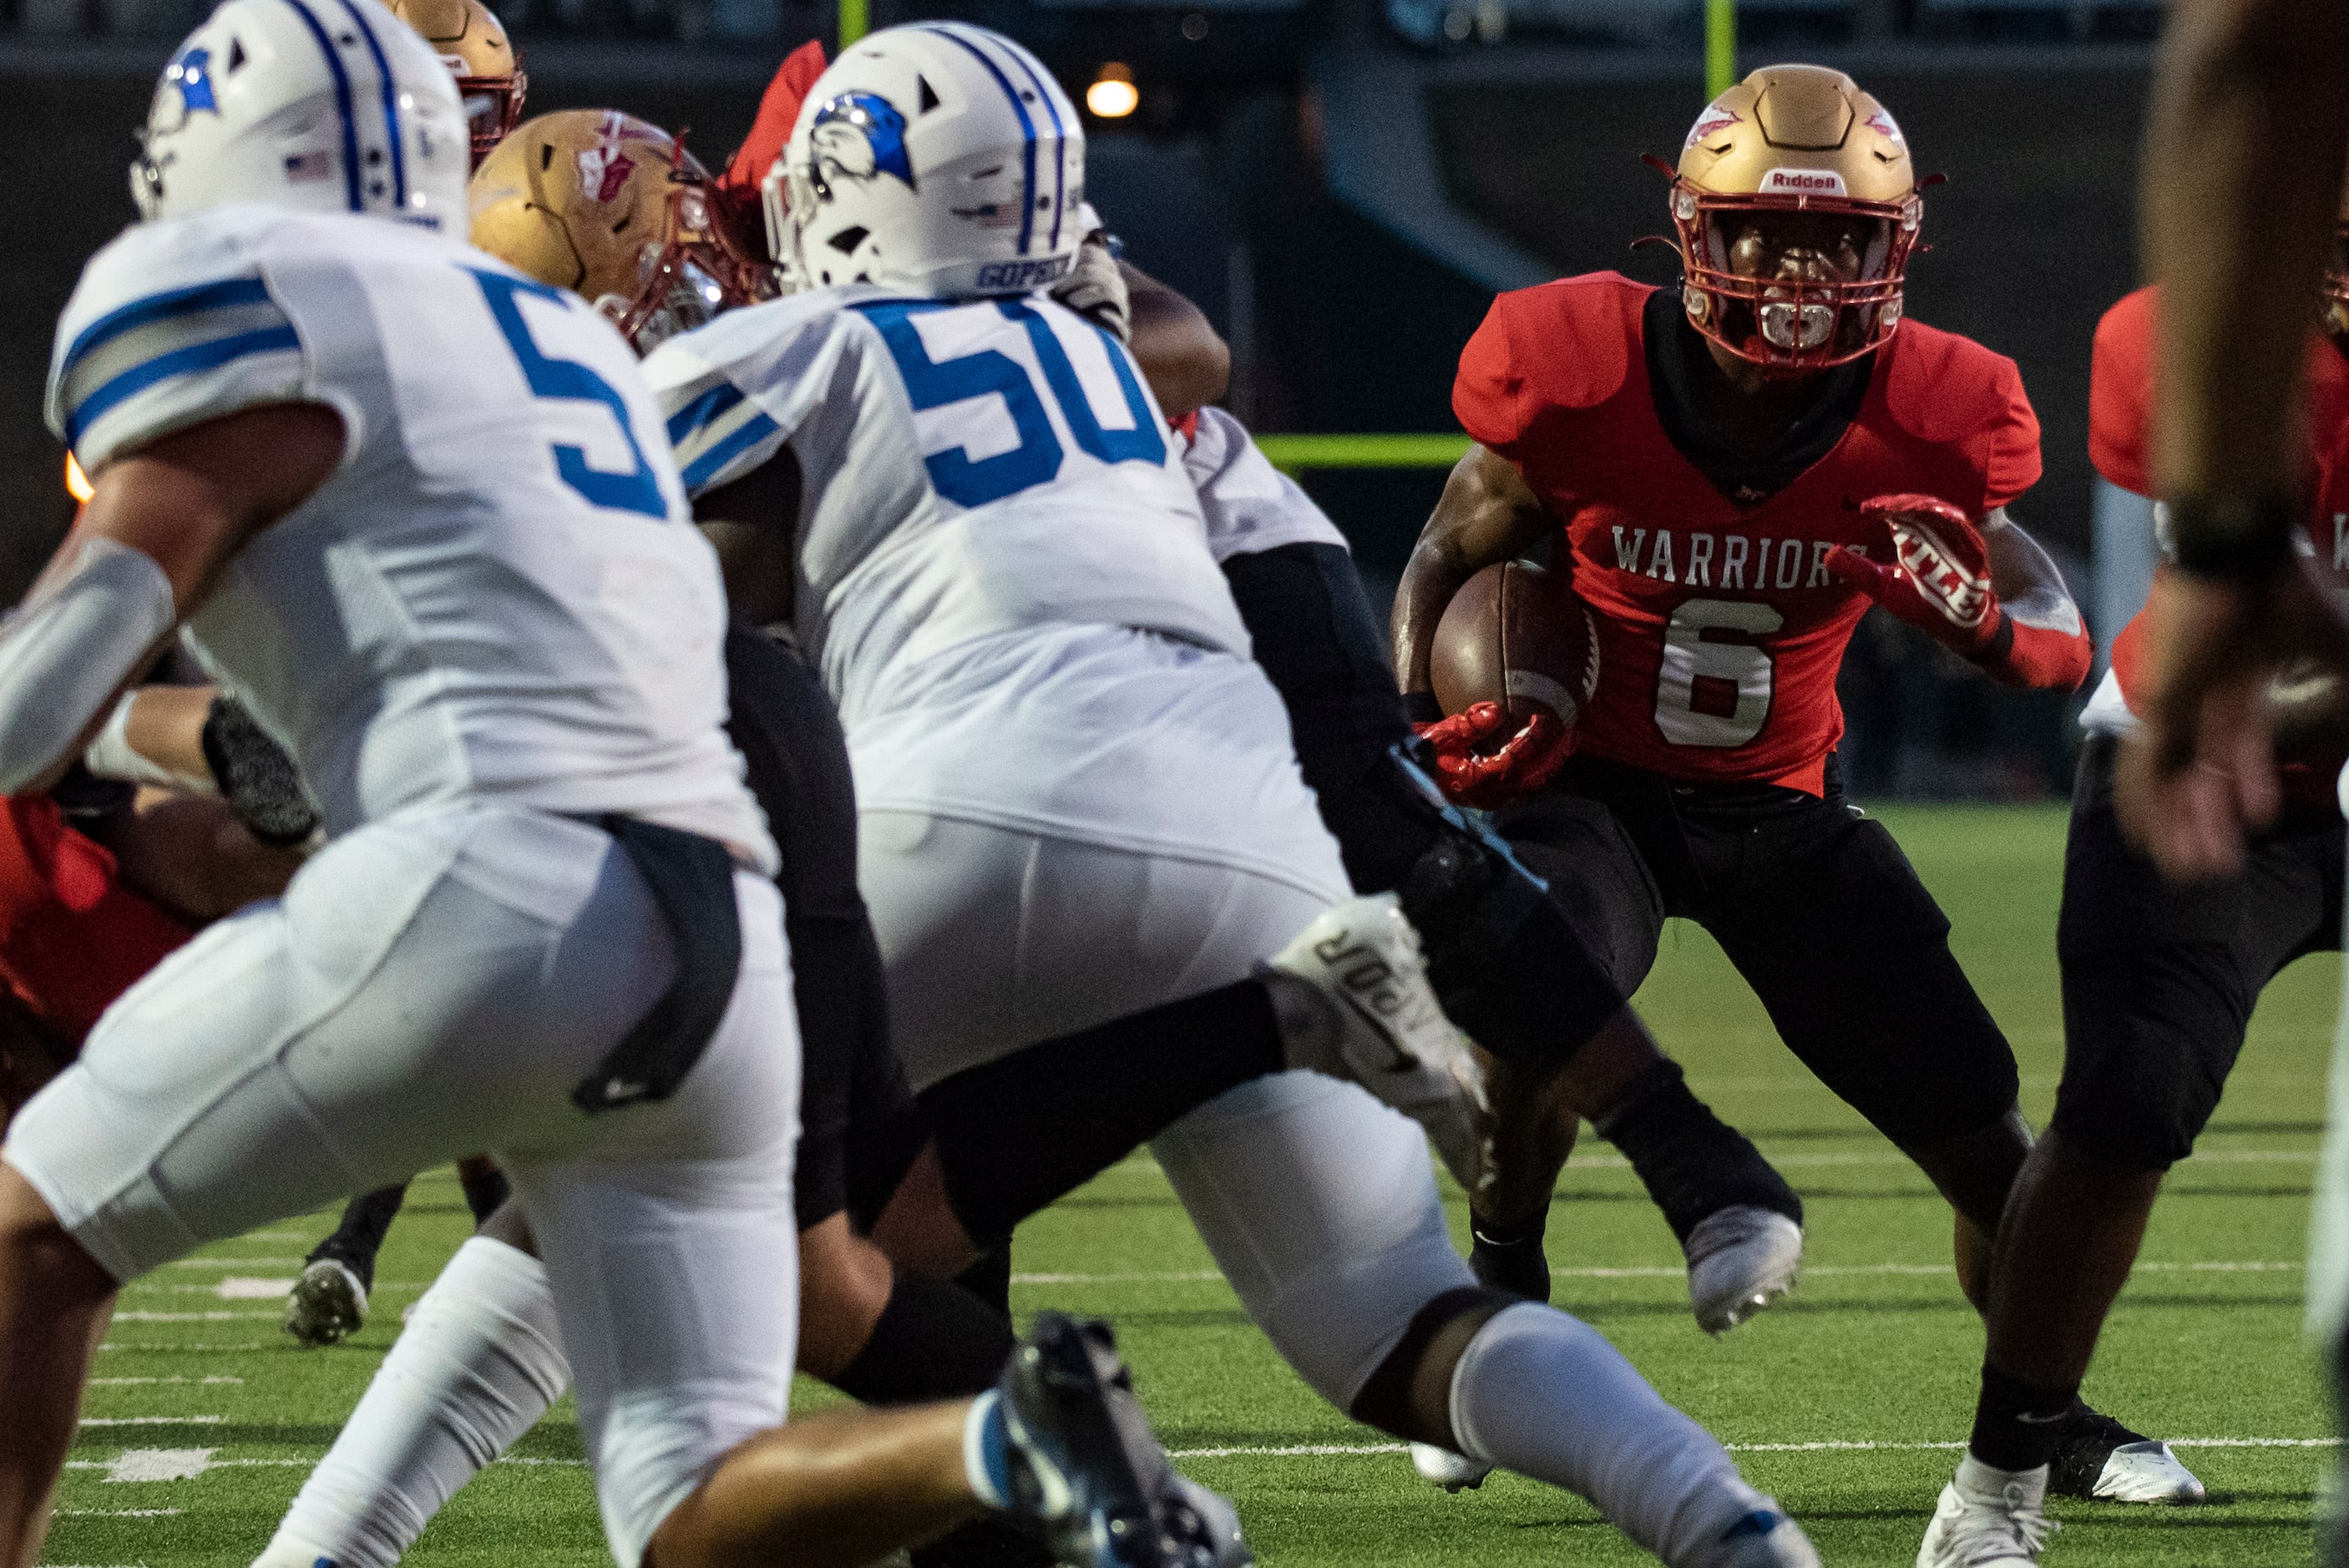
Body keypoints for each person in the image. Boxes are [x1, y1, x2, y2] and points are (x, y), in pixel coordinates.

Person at [0, 8, 1232, 1567]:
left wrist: (114, 733)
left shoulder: (252, 299)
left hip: (496, 876)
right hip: (721, 906)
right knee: (683, 1498)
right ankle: (1002, 1436)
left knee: (34, 1236)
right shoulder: (549, 344)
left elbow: (48, 691)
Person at [657, 26, 1820, 1566]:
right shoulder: (1118, 356)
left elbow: (693, 654)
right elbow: (1189, 364)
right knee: (1393, 1321)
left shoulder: (791, 354)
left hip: (961, 814)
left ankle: (337, 1544)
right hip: (1251, 842)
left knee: (788, 1265)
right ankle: (1718, 1512)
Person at [1390, 62, 2197, 1511]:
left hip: (1779, 799)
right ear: (1696, 228)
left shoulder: (1937, 405)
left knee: (1983, 1129)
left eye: (1837, 238)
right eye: (1765, 229)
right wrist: (1418, 728)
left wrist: (1980, 626)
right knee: (1543, 983)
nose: (1800, 268)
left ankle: (2044, 1408)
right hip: (1595, 784)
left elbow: (2054, 634)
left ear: (1896, 249)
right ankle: (1499, 1282)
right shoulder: (1570, 366)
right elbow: (1451, 547)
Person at [1911, 256, 2349, 1568]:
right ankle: (1991, 1494)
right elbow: (2270, 647)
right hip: (2215, 741)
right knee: (2126, 1100)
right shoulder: (2200, 338)